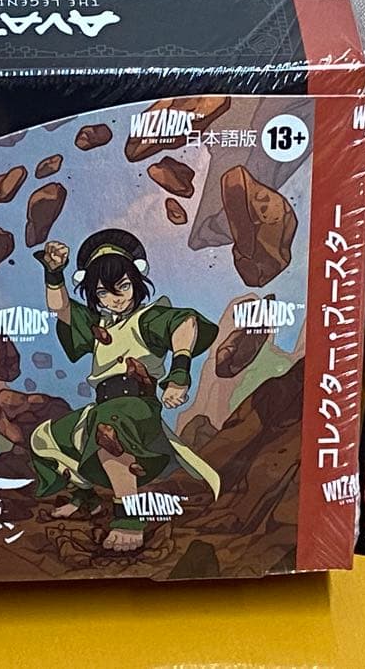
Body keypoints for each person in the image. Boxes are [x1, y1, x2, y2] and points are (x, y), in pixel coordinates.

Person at [28, 229, 221, 552]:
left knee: (109, 430)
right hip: (101, 404)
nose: (115, 298)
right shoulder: (99, 325)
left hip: (136, 407)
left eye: (124, 286)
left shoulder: (147, 318)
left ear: (136, 282)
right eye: (103, 293)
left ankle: (129, 519)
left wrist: (179, 373)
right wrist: (54, 271)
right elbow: (61, 309)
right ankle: (86, 498)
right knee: (44, 439)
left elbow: (185, 324)